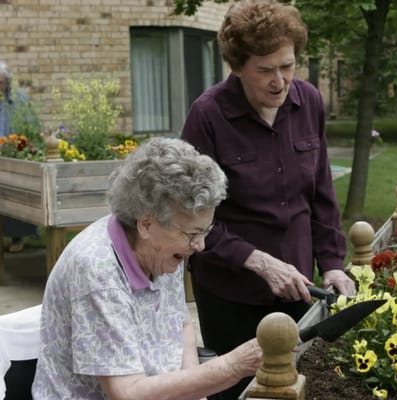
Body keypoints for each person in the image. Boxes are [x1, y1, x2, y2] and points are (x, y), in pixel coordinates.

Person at [180, 1, 356, 398]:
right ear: (238, 67)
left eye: (288, 66)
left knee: (296, 388)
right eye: (265, 70)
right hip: (231, 296)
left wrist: (331, 264)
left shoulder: (308, 102)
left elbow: (322, 195)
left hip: (299, 290)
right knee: (242, 392)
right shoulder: (208, 116)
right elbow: (189, 220)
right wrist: (258, 261)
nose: (280, 81)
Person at [31, 137, 263, 399]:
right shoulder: (98, 270)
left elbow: (180, 324)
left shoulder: (162, 248)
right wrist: (231, 367)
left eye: (205, 232)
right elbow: (126, 394)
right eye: (193, 234)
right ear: (146, 224)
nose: (200, 246)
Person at [0, 61, 39, 252]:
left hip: (15, 155)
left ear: (7, 82)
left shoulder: (20, 100)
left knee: (17, 198)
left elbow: (32, 127)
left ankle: (17, 238)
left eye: (0, 82)